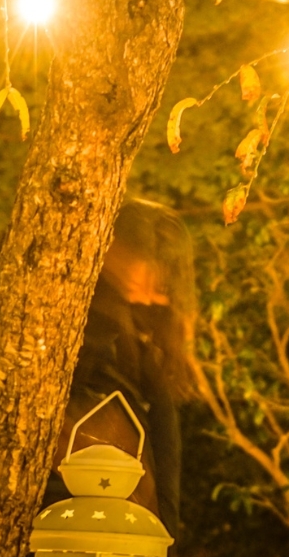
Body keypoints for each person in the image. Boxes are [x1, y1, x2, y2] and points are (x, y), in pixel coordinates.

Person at [46, 197, 198, 539]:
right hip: (73, 505)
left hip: (123, 511)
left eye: (160, 281)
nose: (149, 288)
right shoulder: (90, 320)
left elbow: (165, 435)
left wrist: (164, 534)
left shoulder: (150, 336)